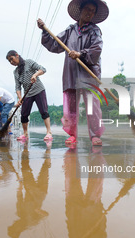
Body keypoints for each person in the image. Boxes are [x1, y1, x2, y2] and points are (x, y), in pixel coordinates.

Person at [37, 0, 109, 146]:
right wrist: (44, 31)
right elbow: (55, 45)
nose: (89, 13)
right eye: (87, 9)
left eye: (92, 11)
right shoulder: (70, 30)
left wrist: (81, 54)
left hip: (89, 75)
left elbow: (96, 50)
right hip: (71, 74)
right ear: (80, 10)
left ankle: (95, 135)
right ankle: (72, 135)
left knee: (91, 107)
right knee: (71, 107)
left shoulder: (95, 31)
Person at [6, 50, 52, 141]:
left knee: (43, 111)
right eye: (9, 61)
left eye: (12, 59)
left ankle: (49, 132)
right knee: (24, 114)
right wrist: (20, 98)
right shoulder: (15, 72)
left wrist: (35, 74)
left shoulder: (29, 62)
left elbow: (43, 69)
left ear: (17, 55)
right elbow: (18, 87)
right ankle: (25, 134)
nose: (11, 62)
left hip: (39, 90)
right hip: (28, 93)